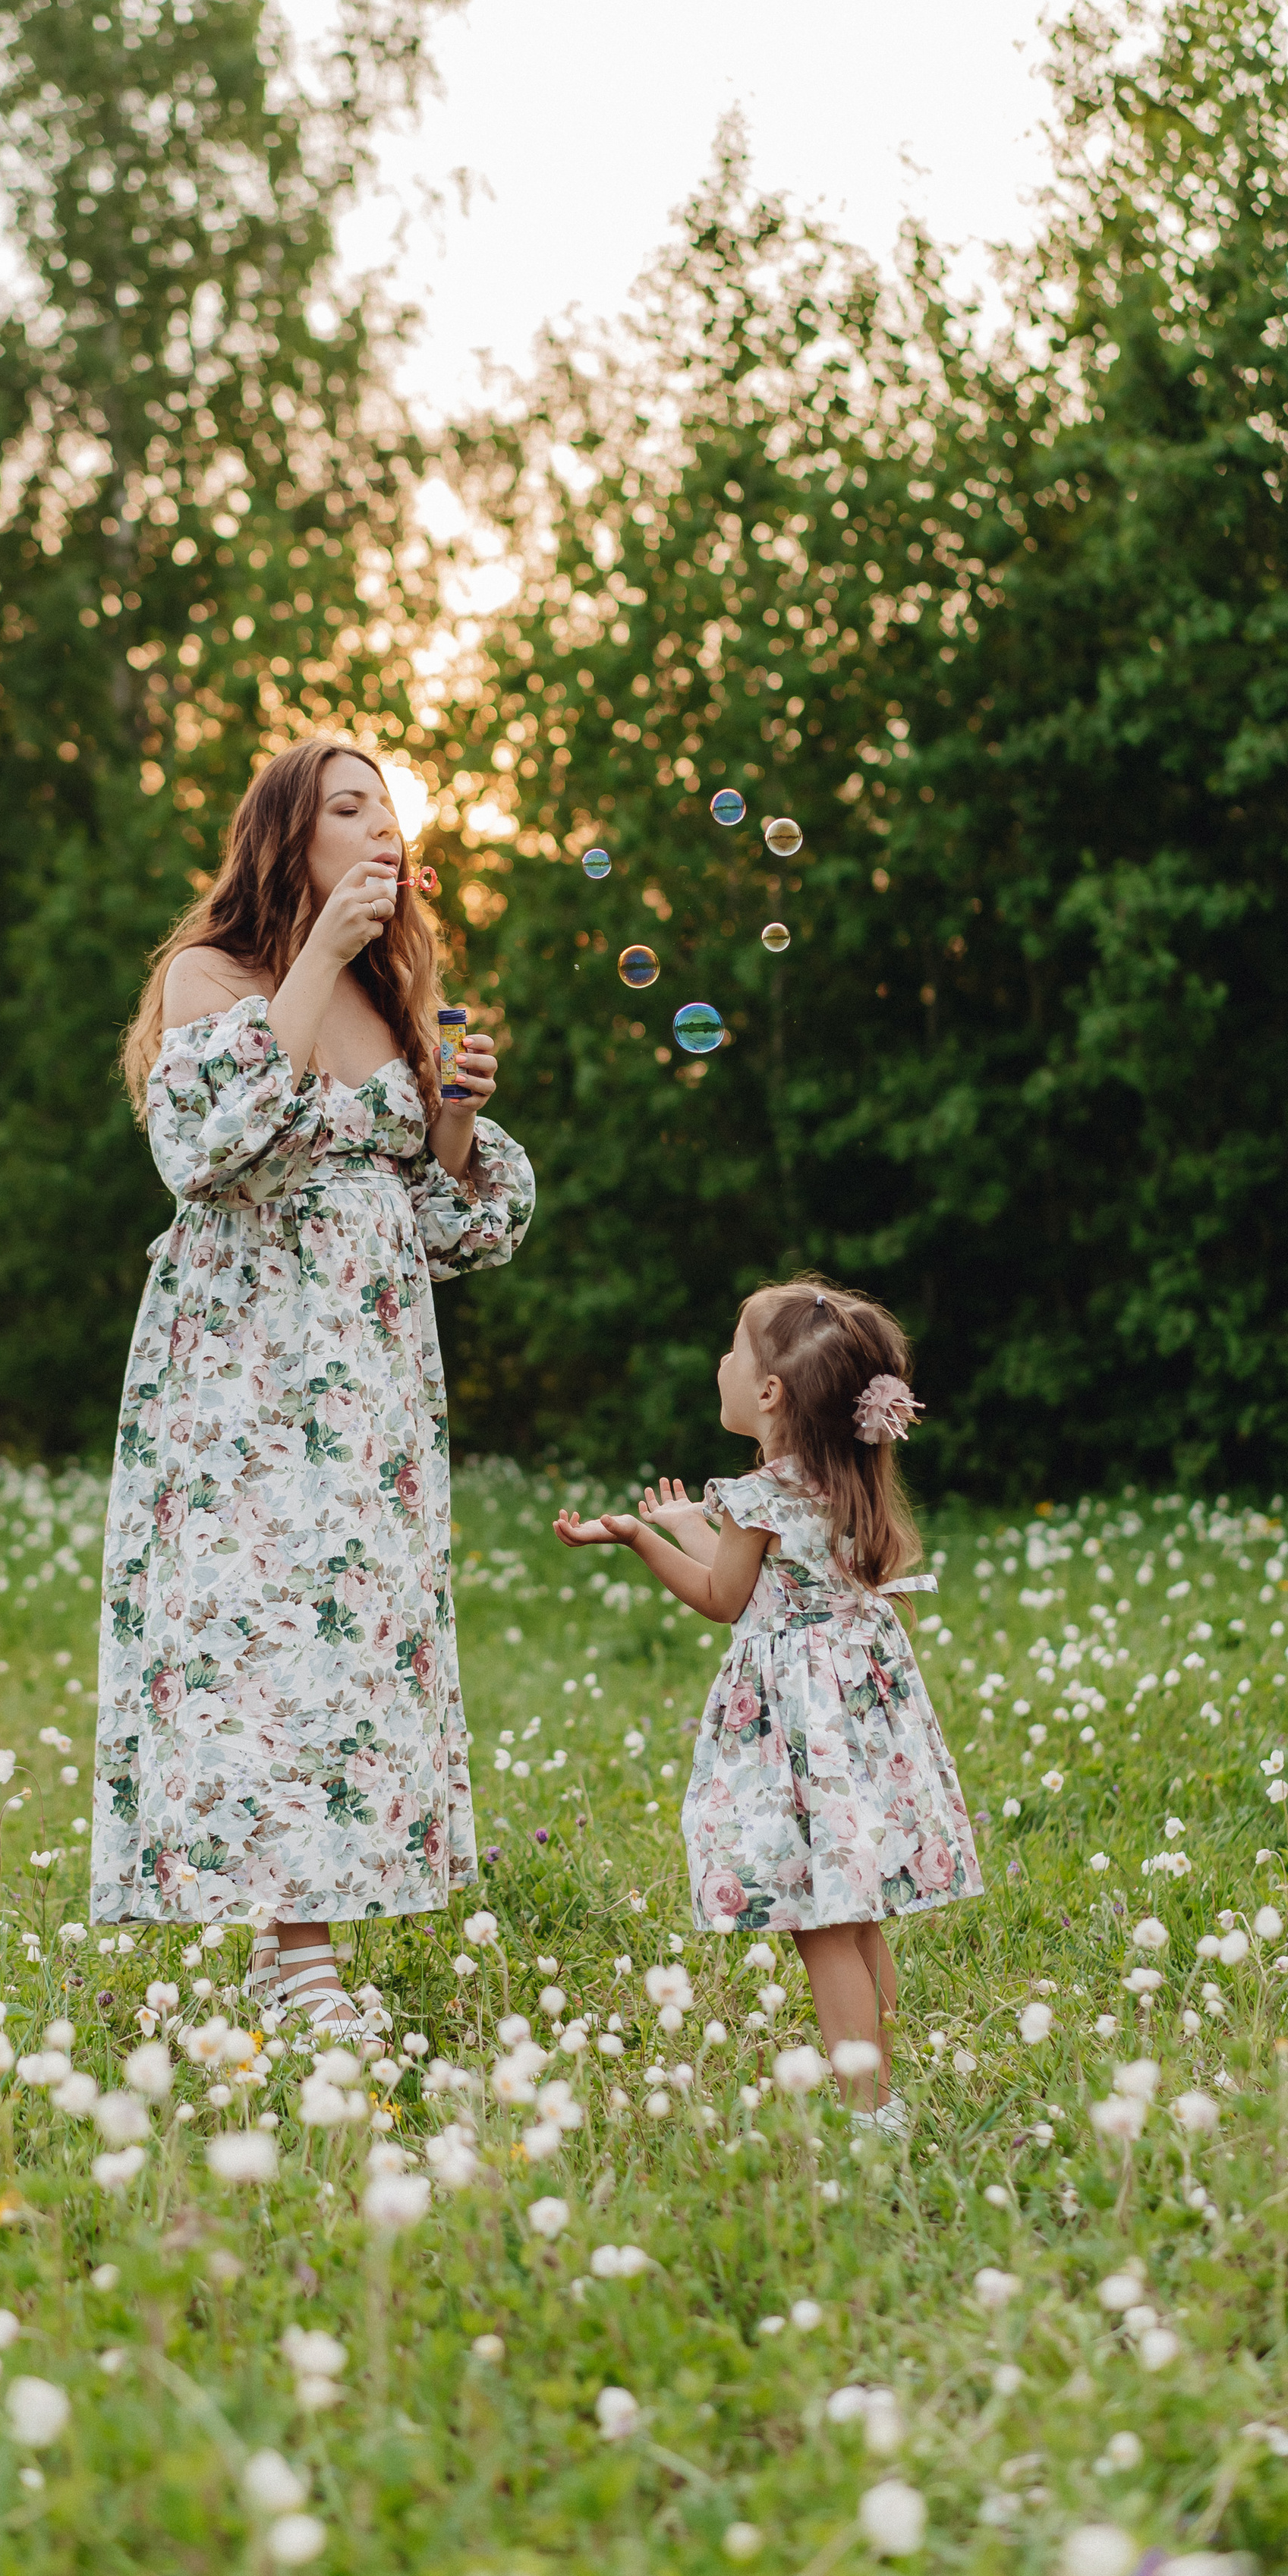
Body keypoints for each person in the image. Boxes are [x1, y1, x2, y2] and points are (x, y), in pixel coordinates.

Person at [94, 739, 534, 2039]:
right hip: (243, 1376)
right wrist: (325, 959)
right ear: (286, 838)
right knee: (259, 1639)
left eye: (391, 813)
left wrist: (449, 1120)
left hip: (370, 1374)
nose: (382, 832)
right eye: (350, 809)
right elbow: (206, 1145)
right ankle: (300, 1963)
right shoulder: (211, 976)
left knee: (346, 1643)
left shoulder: (395, 1006)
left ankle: (297, 1946)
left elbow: (450, 1223)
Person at [553, 1277, 980, 2127]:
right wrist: (686, 1524)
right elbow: (769, 1580)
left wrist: (642, 1538)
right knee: (856, 1916)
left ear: (769, 1393)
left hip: (799, 1734)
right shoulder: (844, 1481)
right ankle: (887, 2085)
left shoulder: (759, 1497)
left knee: (824, 1924)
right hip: (856, 1728)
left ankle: (870, 2110)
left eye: (732, 1352)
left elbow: (725, 1598)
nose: (721, 1362)